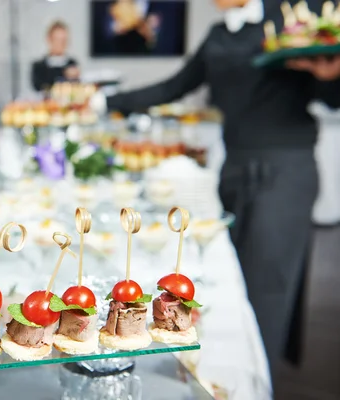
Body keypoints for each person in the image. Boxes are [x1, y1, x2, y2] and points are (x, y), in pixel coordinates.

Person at [95, 0, 340, 383]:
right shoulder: (218, 35)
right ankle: (221, 377)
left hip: (286, 170)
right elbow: (175, 86)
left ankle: (255, 384)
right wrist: (106, 101)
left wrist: (331, 75)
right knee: (232, 281)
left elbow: (331, 97)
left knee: (268, 288)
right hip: (235, 167)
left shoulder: (291, 19)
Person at [31, 21, 79, 92]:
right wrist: (64, 74)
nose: (62, 44)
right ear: (49, 40)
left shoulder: (72, 63)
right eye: (58, 40)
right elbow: (40, 87)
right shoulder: (39, 66)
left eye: (64, 40)